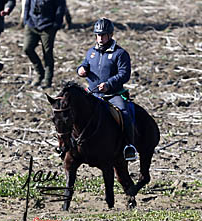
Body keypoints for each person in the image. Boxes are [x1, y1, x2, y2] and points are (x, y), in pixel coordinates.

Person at [77, 18, 138, 161]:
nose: (100, 38)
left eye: (103, 35)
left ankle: (129, 146)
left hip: (112, 94)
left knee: (124, 113)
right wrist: (80, 69)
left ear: (110, 35)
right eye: (98, 35)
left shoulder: (120, 54)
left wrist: (108, 84)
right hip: (92, 94)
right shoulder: (91, 52)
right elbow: (85, 63)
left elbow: (124, 74)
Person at [23, 0, 66, 89]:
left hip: (48, 26)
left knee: (47, 53)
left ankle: (47, 81)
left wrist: (56, 24)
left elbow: (60, 7)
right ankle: (40, 72)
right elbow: (27, 4)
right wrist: (26, 20)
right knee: (27, 48)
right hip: (32, 24)